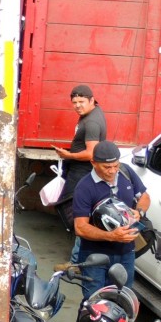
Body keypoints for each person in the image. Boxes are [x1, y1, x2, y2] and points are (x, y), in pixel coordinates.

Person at [72, 140, 150, 298]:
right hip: (95, 256)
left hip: (126, 254)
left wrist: (139, 211)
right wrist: (111, 236)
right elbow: (80, 227)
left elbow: (145, 196)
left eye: (115, 165)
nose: (113, 171)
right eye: (107, 167)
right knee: (94, 301)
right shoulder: (84, 187)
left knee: (122, 298)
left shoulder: (126, 172)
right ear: (93, 163)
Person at [53, 84, 107, 232]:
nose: (77, 106)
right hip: (79, 169)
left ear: (92, 100)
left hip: (82, 171)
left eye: (81, 102)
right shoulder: (92, 112)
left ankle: (80, 238)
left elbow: (91, 154)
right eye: (74, 103)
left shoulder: (92, 122)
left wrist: (68, 155)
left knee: (72, 208)